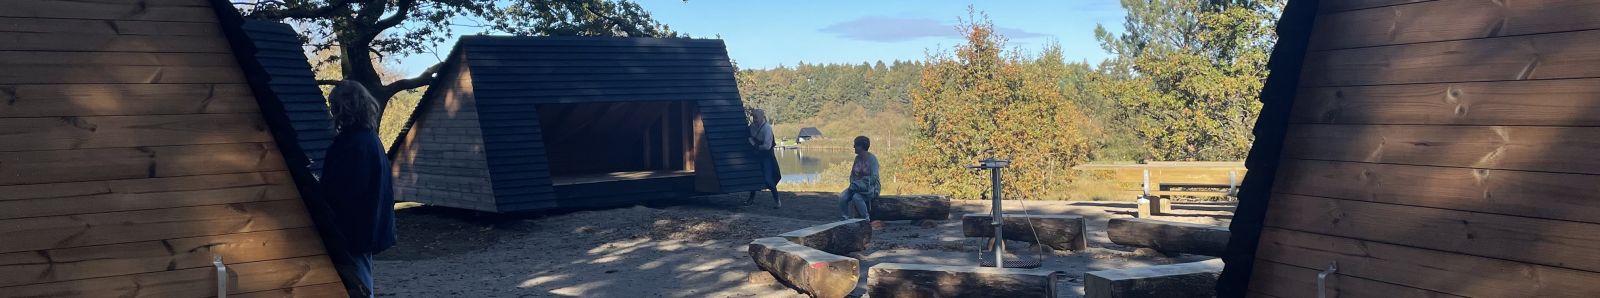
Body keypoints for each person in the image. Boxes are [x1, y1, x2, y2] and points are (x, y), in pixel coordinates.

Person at [322, 80, 397, 297]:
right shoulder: (368, 139)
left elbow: (346, 190)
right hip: (365, 226)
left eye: (334, 105)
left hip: (354, 228)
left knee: (359, 283)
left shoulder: (354, 144)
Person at [746, 109, 782, 208]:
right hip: (756, 155)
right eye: (754, 117)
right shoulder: (752, 127)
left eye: (756, 117)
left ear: (762, 117)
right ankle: (751, 199)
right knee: (753, 176)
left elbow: (767, 146)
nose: (755, 119)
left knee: (768, 179)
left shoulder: (767, 129)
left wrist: (755, 145)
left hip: (766, 156)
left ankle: (777, 201)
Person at [840, 136, 879, 220]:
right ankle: (845, 218)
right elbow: (852, 174)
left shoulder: (872, 159)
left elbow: (874, 178)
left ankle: (866, 218)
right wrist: (853, 185)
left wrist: (862, 184)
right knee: (842, 197)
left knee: (856, 197)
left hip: (870, 188)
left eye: (855, 145)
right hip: (856, 186)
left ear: (861, 147)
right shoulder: (857, 158)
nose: (853, 147)